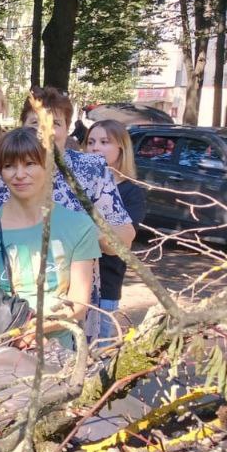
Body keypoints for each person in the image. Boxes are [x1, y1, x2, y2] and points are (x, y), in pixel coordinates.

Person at [0, 127, 100, 349]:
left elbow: (78, 303)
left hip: (57, 359)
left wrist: (33, 329)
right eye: (9, 166)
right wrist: (19, 333)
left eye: (30, 164)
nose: (19, 174)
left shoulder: (79, 226)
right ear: (0, 171)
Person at [0, 87, 135, 255]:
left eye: (55, 123)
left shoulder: (91, 169)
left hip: (77, 277)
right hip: (9, 274)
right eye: (35, 122)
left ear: (67, 130)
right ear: (22, 128)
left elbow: (125, 238)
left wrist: (87, 230)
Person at [84, 119, 145, 342]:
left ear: (121, 148)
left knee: (99, 354)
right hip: (72, 285)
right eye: (90, 142)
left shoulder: (130, 193)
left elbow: (120, 243)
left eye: (104, 142)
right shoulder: (76, 185)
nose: (95, 148)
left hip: (106, 288)